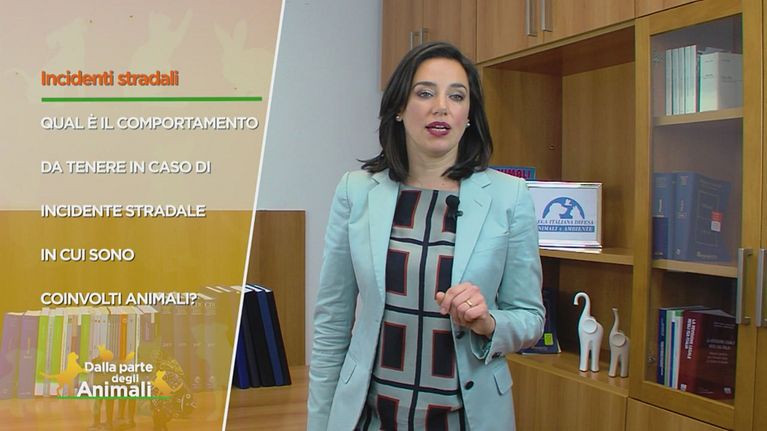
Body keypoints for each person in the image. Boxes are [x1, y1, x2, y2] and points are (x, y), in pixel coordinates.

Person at [307, 41, 544, 431]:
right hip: (372, 417)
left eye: (457, 96)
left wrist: (488, 322)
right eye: (425, 93)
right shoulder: (356, 192)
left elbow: (530, 318)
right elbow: (332, 323)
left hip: (465, 419)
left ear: (470, 115)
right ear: (399, 108)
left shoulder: (509, 197)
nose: (442, 107)